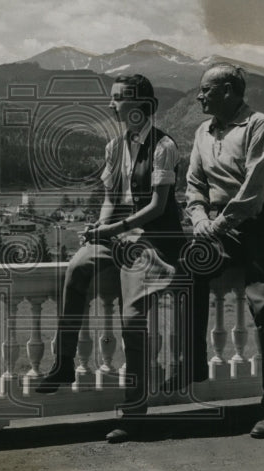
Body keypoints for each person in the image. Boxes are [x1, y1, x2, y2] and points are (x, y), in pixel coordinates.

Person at [36, 73, 187, 443]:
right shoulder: (115, 147)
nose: (111, 104)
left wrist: (112, 231)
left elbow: (157, 207)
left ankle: (135, 413)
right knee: (76, 269)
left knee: (133, 318)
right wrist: (100, 229)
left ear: (139, 104)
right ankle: (63, 365)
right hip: (119, 234)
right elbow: (110, 197)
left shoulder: (164, 146)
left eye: (118, 98)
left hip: (153, 239)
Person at [184, 63, 264, 439]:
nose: (199, 96)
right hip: (224, 226)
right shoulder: (203, 131)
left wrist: (215, 226)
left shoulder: (260, 127)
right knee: (187, 267)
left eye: (206, 90)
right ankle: (194, 366)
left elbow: (254, 191)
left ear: (230, 91)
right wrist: (199, 218)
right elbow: (194, 184)